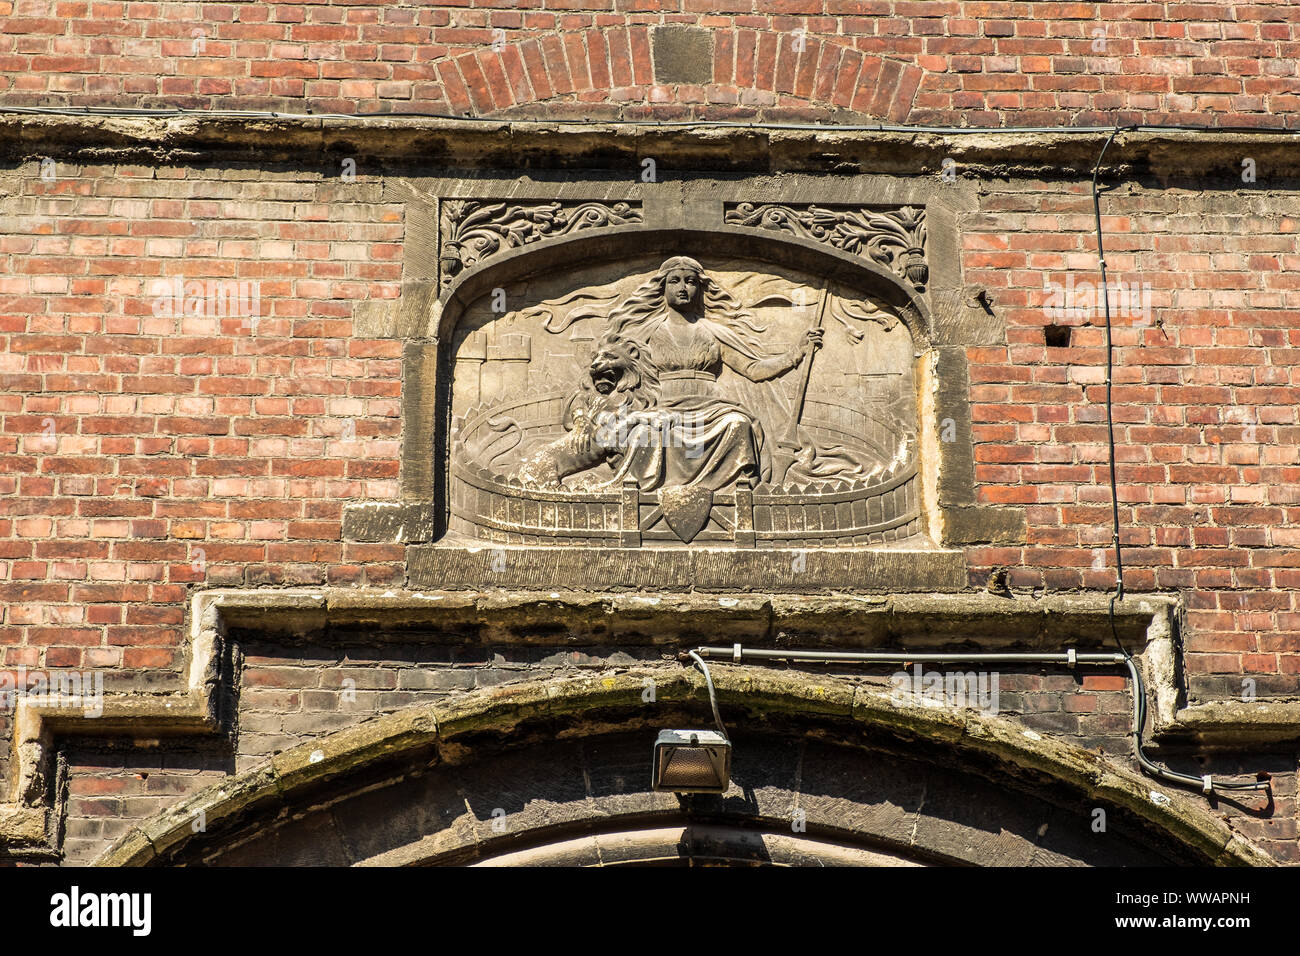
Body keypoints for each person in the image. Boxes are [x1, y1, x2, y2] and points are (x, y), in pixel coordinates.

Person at [588, 256, 822, 492]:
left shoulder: (713, 332)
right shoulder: (645, 334)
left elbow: (753, 369)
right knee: (645, 432)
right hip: (664, 408)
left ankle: (732, 491)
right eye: (675, 281)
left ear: (699, 289)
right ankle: (649, 492)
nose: (682, 288)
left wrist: (796, 353)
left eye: (690, 282)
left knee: (738, 424)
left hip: (711, 409)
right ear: (662, 287)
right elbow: (613, 362)